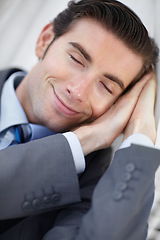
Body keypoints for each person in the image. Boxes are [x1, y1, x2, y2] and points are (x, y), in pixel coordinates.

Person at [0, 0, 159, 239]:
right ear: (44, 41)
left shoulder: (96, 181)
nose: (78, 90)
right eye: (76, 59)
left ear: (117, 105)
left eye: (106, 86)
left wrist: (140, 134)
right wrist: (79, 142)